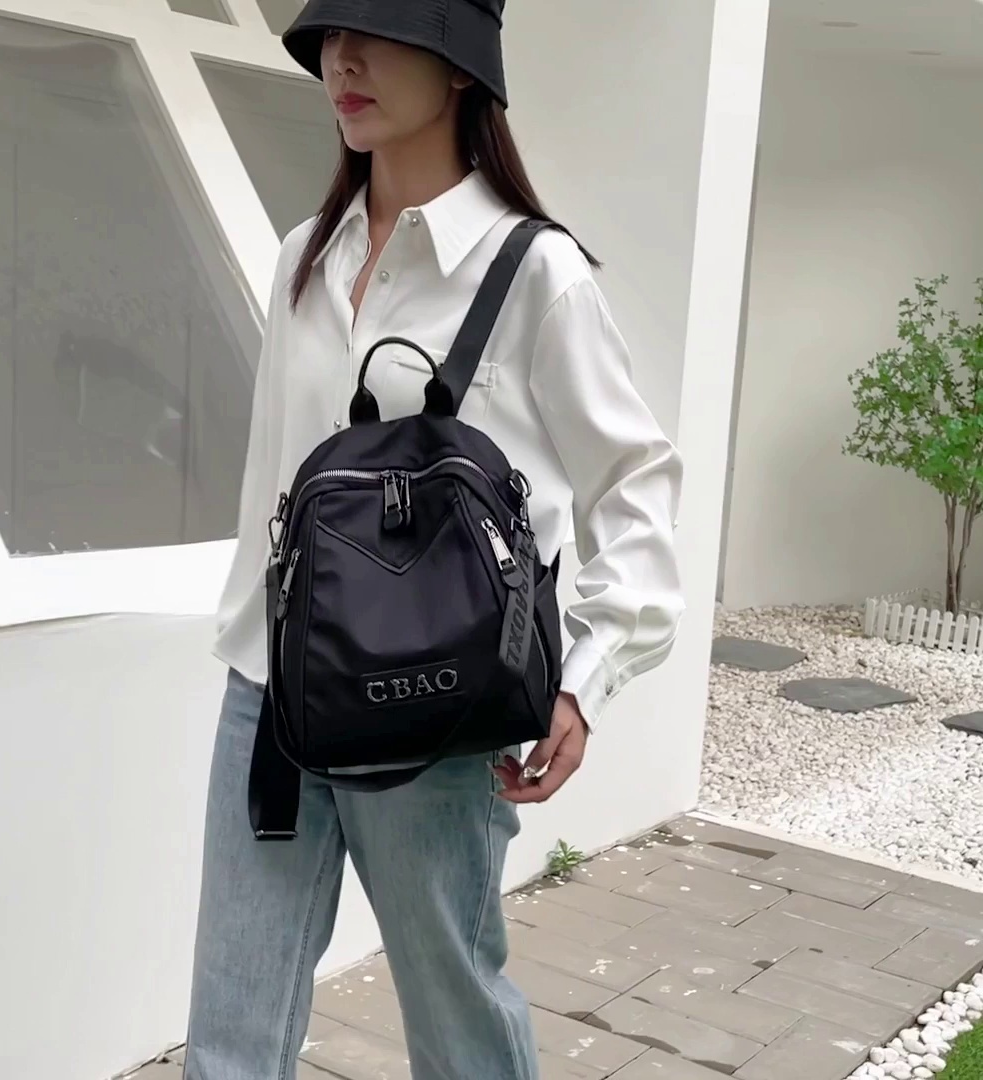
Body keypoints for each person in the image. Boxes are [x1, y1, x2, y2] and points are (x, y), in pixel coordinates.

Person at [184, 1, 684, 1077]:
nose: (342, 58)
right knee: (229, 1039)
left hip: (438, 713)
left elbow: (636, 486)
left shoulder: (535, 271)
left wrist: (585, 677)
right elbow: (274, 483)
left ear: (461, 67)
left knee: (459, 1031)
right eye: (330, 33)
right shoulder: (304, 259)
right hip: (271, 698)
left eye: (380, 30)